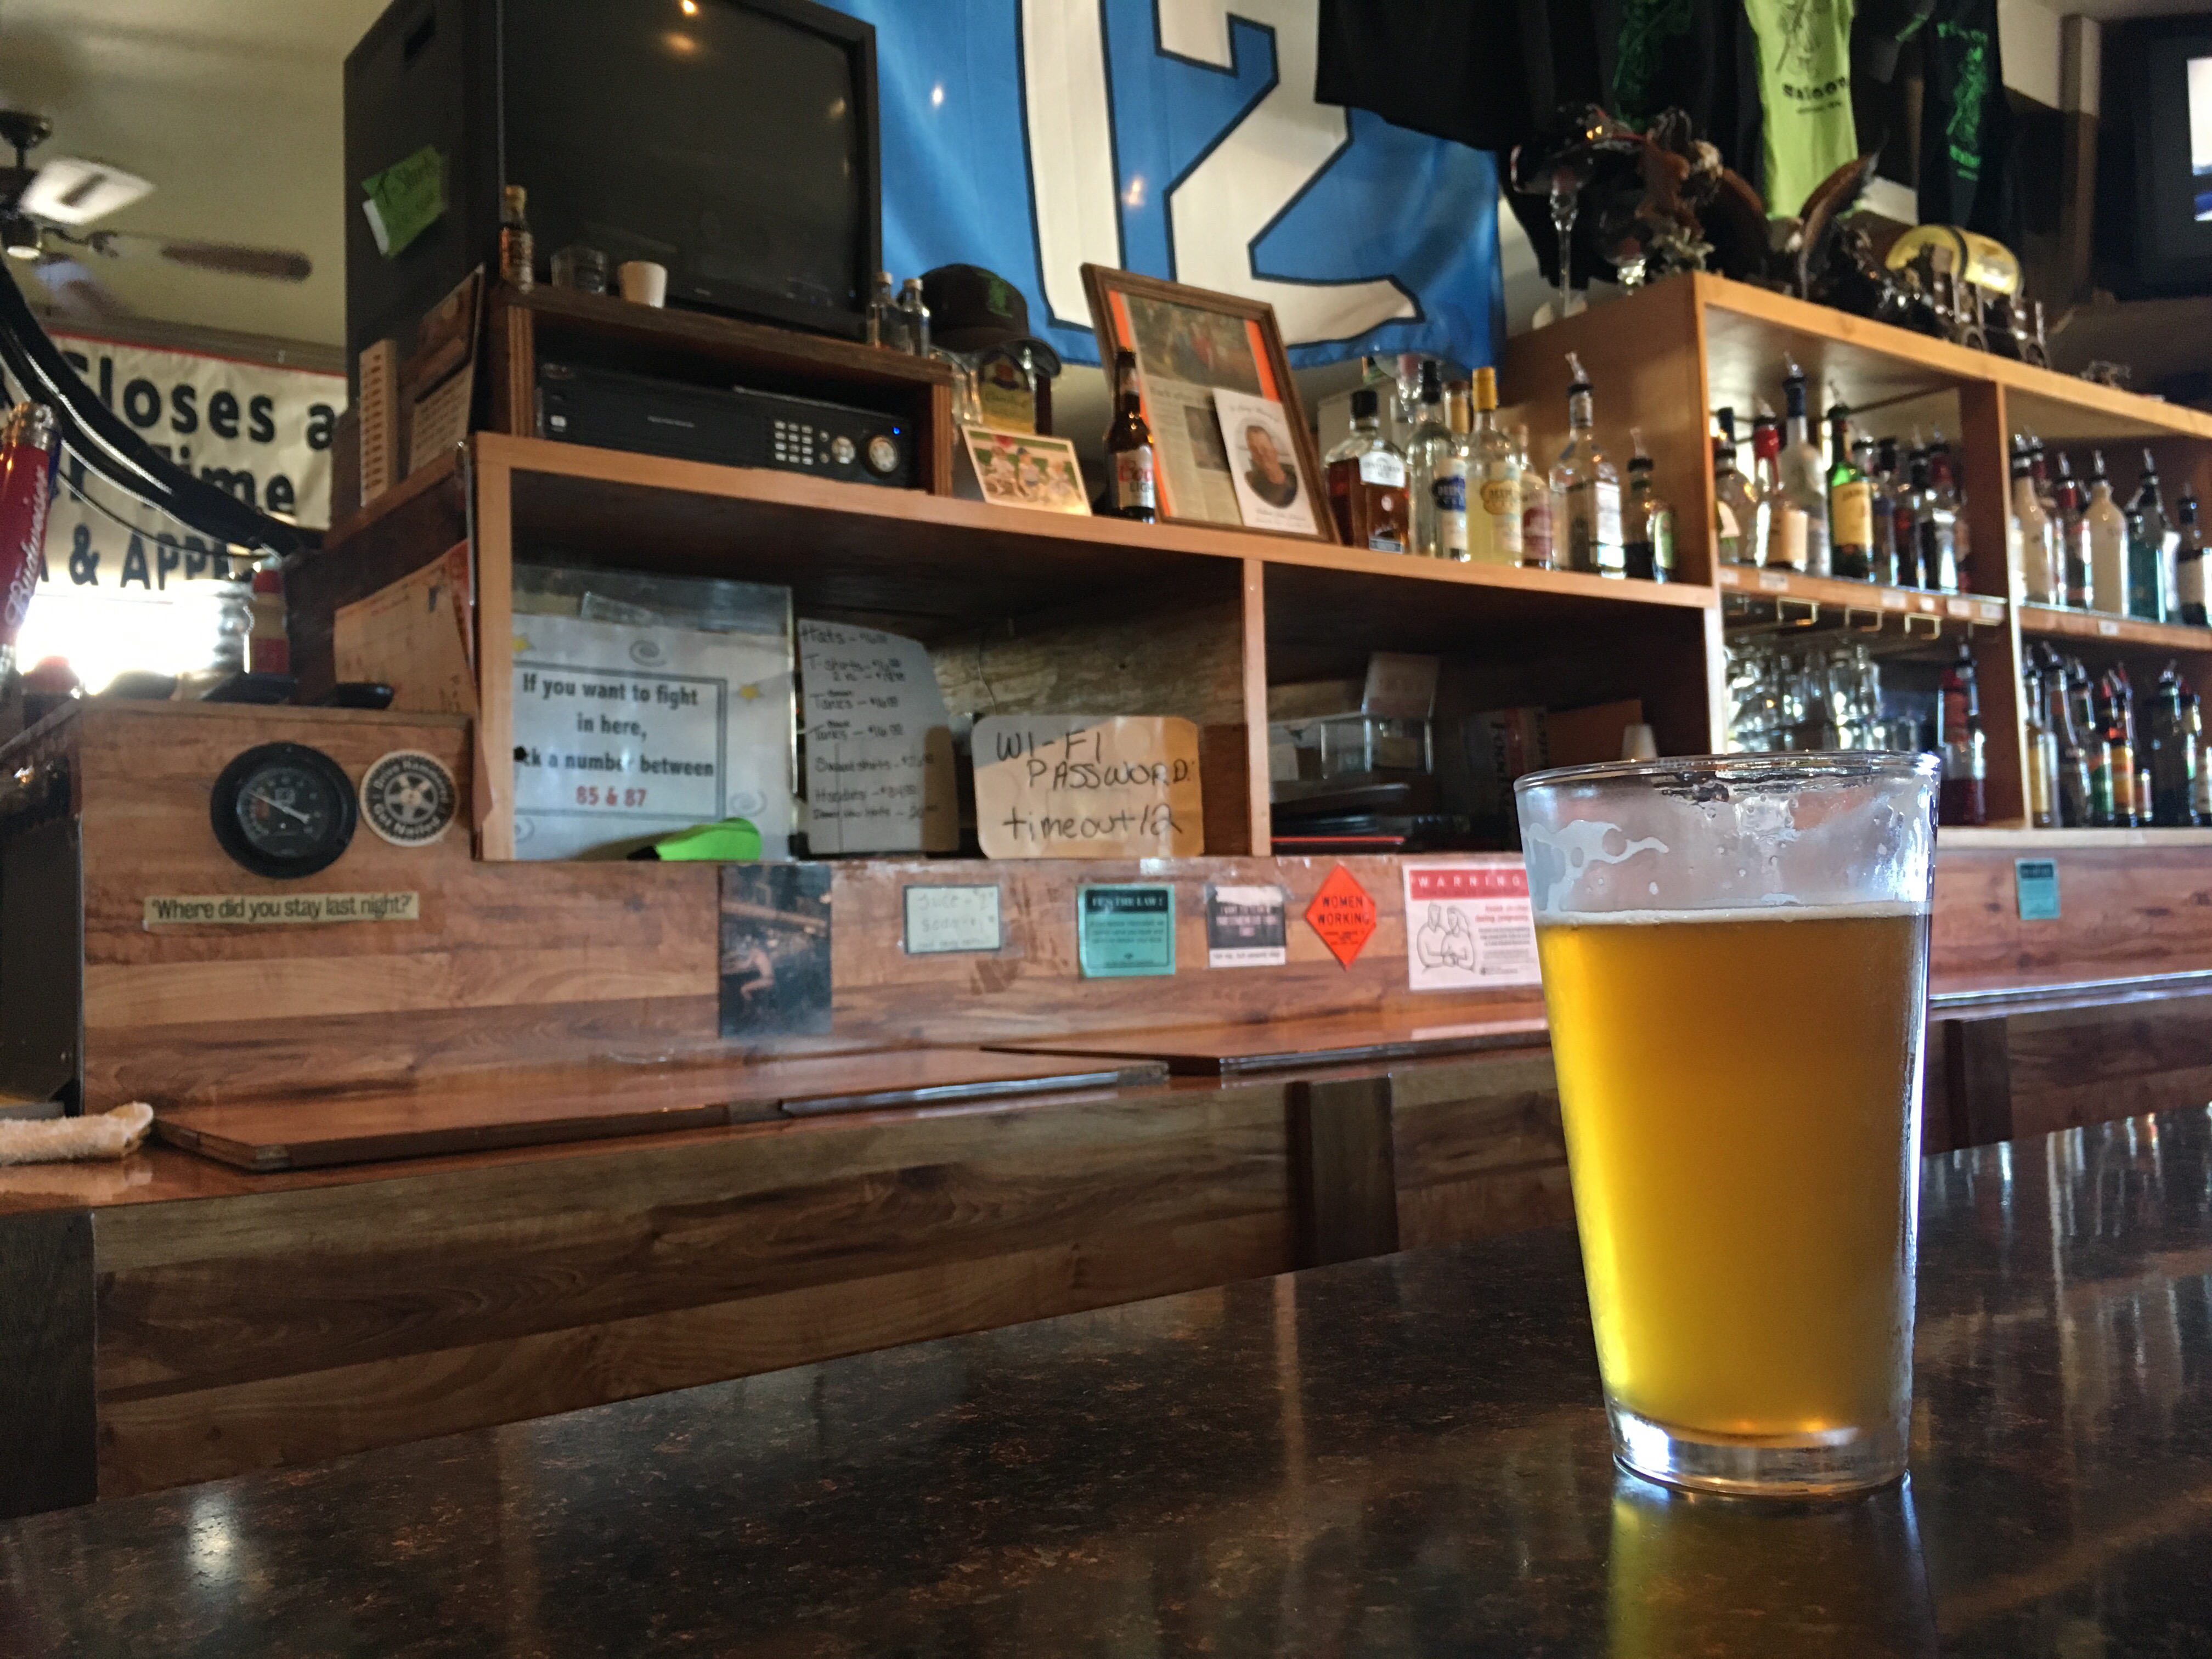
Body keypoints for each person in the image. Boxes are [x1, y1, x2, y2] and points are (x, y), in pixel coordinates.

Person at [1243, 423, 1300, 509]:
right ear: (1253, 456)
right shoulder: (1252, 483)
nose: (1261, 454)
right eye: (1254, 450)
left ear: (1274, 451)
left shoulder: (1296, 482)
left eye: (1264, 449)